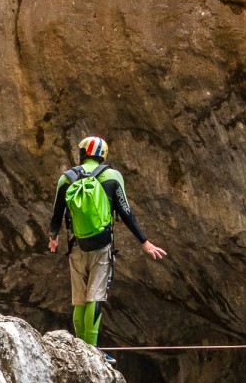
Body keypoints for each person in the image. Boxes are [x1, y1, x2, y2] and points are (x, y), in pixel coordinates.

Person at [47, 133, 166, 345]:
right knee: (96, 296)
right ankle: (91, 350)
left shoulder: (66, 178)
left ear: (82, 154)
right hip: (102, 246)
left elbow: (57, 212)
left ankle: (78, 347)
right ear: (103, 154)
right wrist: (145, 242)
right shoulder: (112, 176)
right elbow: (126, 211)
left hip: (76, 244)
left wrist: (53, 238)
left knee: (79, 300)